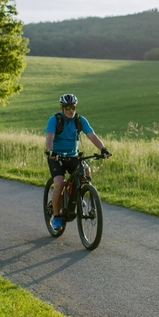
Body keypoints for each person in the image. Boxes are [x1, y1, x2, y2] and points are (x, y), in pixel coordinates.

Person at [45, 93, 110, 230]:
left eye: (73, 107)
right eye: (68, 107)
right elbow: (49, 137)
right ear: (62, 108)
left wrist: (103, 149)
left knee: (86, 171)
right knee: (59, 183)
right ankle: (56, 216)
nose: (71, 110)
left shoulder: (80, 120)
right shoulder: (55, 120)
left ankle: (77, 196)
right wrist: (51, 151)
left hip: (73, 156)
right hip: (56, 157)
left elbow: (92, 135)